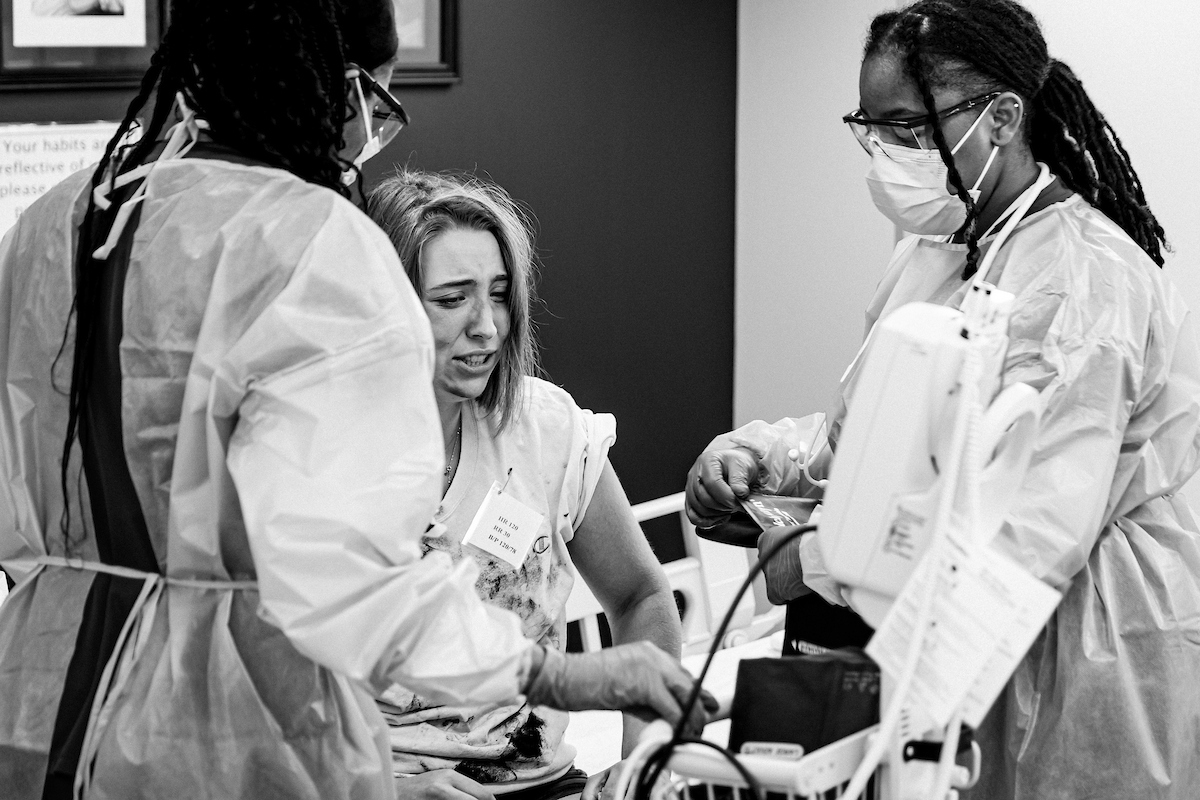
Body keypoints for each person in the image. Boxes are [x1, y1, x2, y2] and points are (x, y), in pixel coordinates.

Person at [0, 2, 709, 799]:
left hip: (43, 693)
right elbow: (347, 581)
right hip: (233, 728)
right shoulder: (311, 244)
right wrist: (559, 676)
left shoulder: (56, 222)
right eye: (379, 105)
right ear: (337, 90)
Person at [686, 1, 1200, 798]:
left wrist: (815, 561)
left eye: (912, 131)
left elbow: (1030, 524)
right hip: (930, 630)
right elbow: (874, 431)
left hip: (1074, 651)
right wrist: (763, 456)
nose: (890, 155)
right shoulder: (940, 252)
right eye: (873, 129)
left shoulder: (1086, 280)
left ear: (1000, 118)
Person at [366, 169, 683, 800]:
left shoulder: (544, 429)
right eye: (452, 299)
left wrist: (643, 767)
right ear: (385, 305)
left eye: (500, 294)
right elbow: (263, 692)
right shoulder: (322, 464)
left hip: (543, 781)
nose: (487, 327)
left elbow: (642, 598)